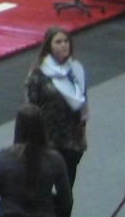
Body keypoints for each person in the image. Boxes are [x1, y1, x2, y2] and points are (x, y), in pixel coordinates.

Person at [0, 103, 72, 217]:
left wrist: (3, 188)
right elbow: (66, 200)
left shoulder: (3, 157)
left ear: (17, 127)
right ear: (42, 127)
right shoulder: (55, 160)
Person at [25, 26, 88, 190]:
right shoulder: (38, 74)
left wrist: (82, 135)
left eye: (66, 41)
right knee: (44, 189)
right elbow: (30, 109)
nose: (63, 45)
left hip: (71, 140)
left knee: (66, 190)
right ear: (48, 46)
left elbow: (82, 104)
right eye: (58, 42)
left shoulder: (76, 70)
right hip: (47, 140)